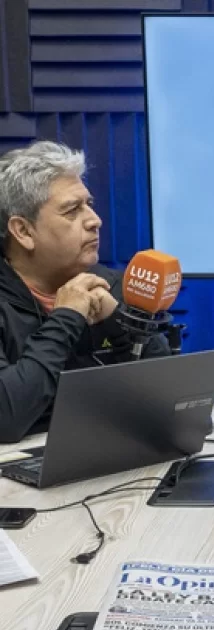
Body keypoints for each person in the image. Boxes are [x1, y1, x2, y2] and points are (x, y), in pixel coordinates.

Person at [0, 141, 169, 443]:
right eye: (72, 210)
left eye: (88, 204)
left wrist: (118, 321)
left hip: (113, 456)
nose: (95, 220)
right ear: (23, 232)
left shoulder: (113, 287)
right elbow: (6, 419)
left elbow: (169, 399)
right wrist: (66, 317)